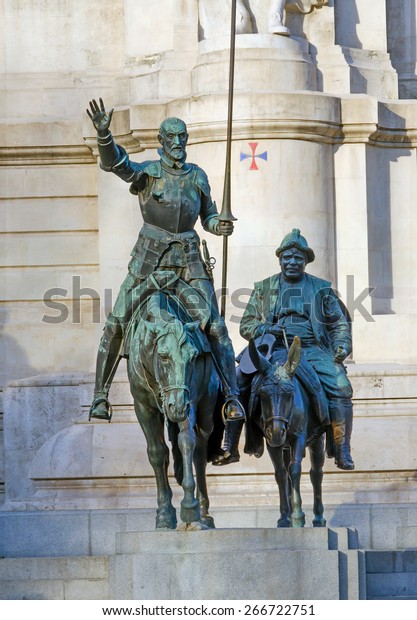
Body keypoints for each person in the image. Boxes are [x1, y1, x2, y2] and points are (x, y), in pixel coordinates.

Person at [86, 98, 245, 423]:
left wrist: (220, 226)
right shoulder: (149, 173)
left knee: (215, 327)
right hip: (149, 260)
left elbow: (208, 217)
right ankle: (100, 395)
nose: (177, 143)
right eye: (171, 137)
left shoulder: (197, 176)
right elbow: (117, 164)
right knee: (116, 321)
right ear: (161, 142)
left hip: (189, 262)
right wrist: (105, 136)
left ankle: (231, 397)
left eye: (182, 137)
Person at [213, 228, 355, 470]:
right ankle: (230, 445)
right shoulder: (264, 288)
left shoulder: (321, 289)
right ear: (279, 259)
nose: (291, 262)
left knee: (341, 386)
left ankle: (341, 448)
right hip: (272, 350)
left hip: (312, 349)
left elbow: (338, 322)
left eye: (298, 258)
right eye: (287, 257)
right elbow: (246, 325)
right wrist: (267, 328)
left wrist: (342, 345)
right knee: (236, 382)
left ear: (306, 261)